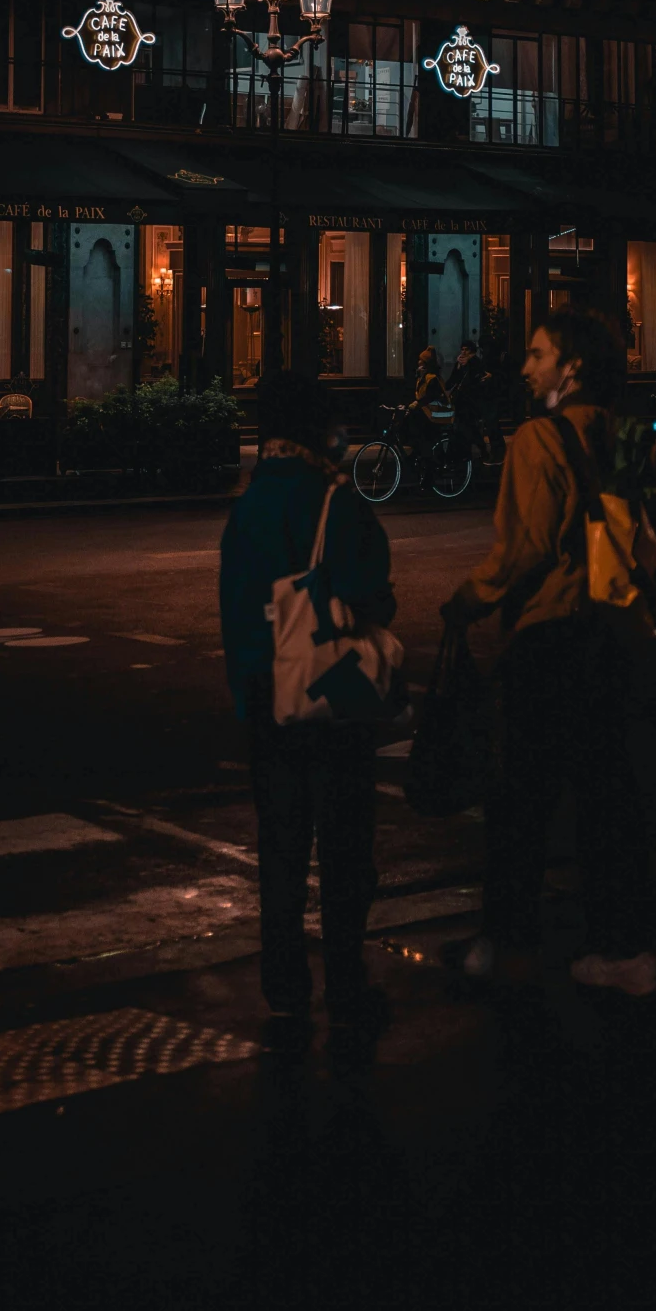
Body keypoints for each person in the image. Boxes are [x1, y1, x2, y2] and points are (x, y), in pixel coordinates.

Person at [442, 307, 656, 999]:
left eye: (537, 354)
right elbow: (652, 537)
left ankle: (505, 942)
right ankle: (622, 949)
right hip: (611, 632)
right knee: (607, 800)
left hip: (549, 634)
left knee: (520, 801)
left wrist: (469, 600)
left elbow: (523, 549)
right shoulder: (625, 434)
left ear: (571, 367)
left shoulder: (536, 439)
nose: (525, 365)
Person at [220, 371, 396, 1046]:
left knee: (282, 848)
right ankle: (346, 985)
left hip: (266, 698)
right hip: (333, 696)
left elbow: (236, 616)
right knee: (346, 846)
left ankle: (284, 985)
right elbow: (367, 591)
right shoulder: (333, 501)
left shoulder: (248, 507)